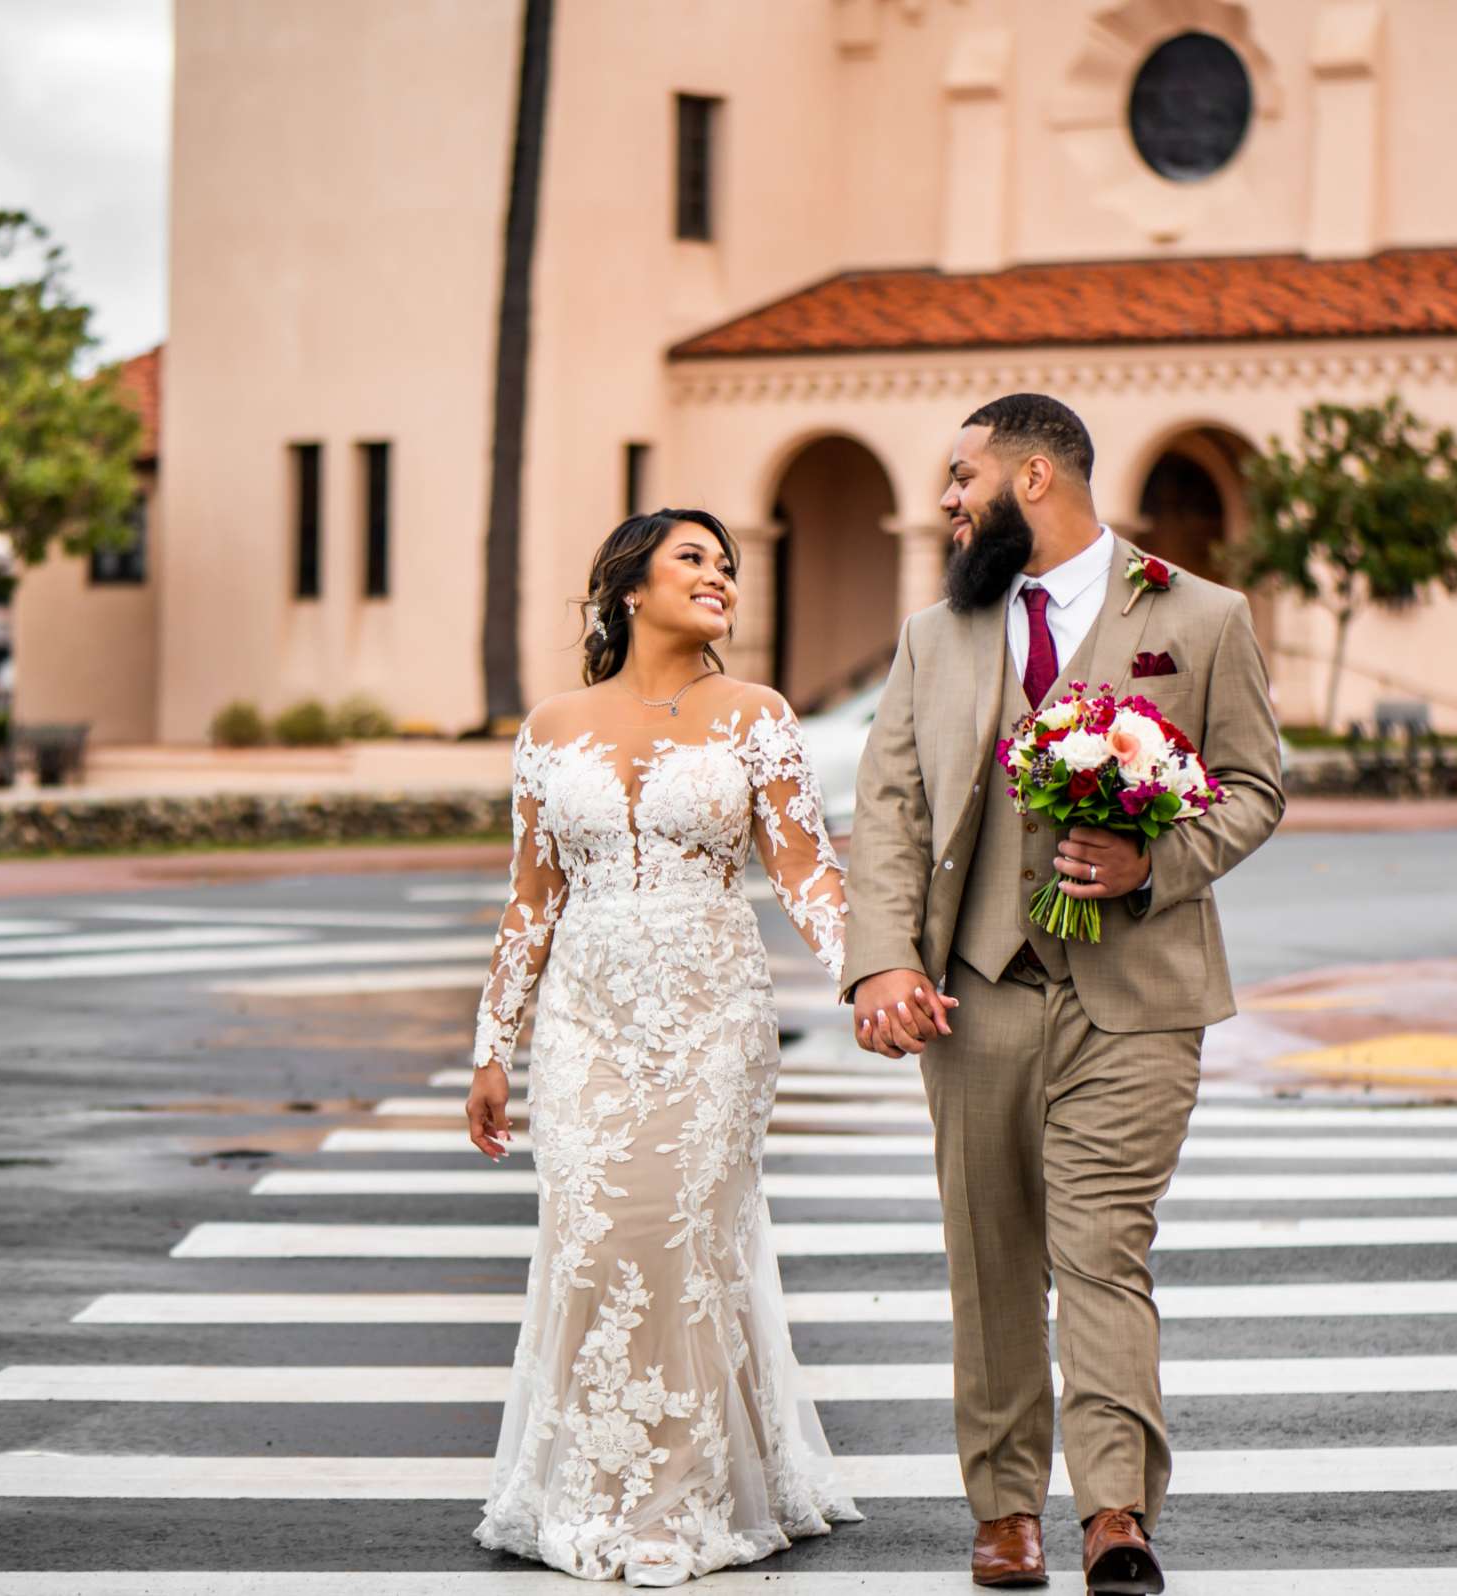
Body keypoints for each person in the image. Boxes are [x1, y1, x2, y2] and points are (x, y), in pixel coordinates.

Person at [842, 395, 1284, 1594]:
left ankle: (1113, 1514)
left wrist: (1159, 861)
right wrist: (883, 960)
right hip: (975, 995)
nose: (945, 500)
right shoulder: (939, 636)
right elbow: (890, 810)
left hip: (1136, 999)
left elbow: (1253, 786)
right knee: (988, 1260)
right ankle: (1002, 1510)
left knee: (1102, 1253)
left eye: (961, 475)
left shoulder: (1200, 616)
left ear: (1035, 477)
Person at [464, 509, 862, 1587]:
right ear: (628, 587)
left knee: (684, 1234)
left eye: (727, 565)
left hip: (713, 1014)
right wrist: (492, 1044)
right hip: (585, 1022)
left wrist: (867, 974)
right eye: (694, 557)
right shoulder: (550, 727)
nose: (720, 576)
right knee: (592, 1236)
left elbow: (806, 871)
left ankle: (674, 1500)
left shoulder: (757, 717)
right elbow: (530, 900)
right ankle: (589, 1480)